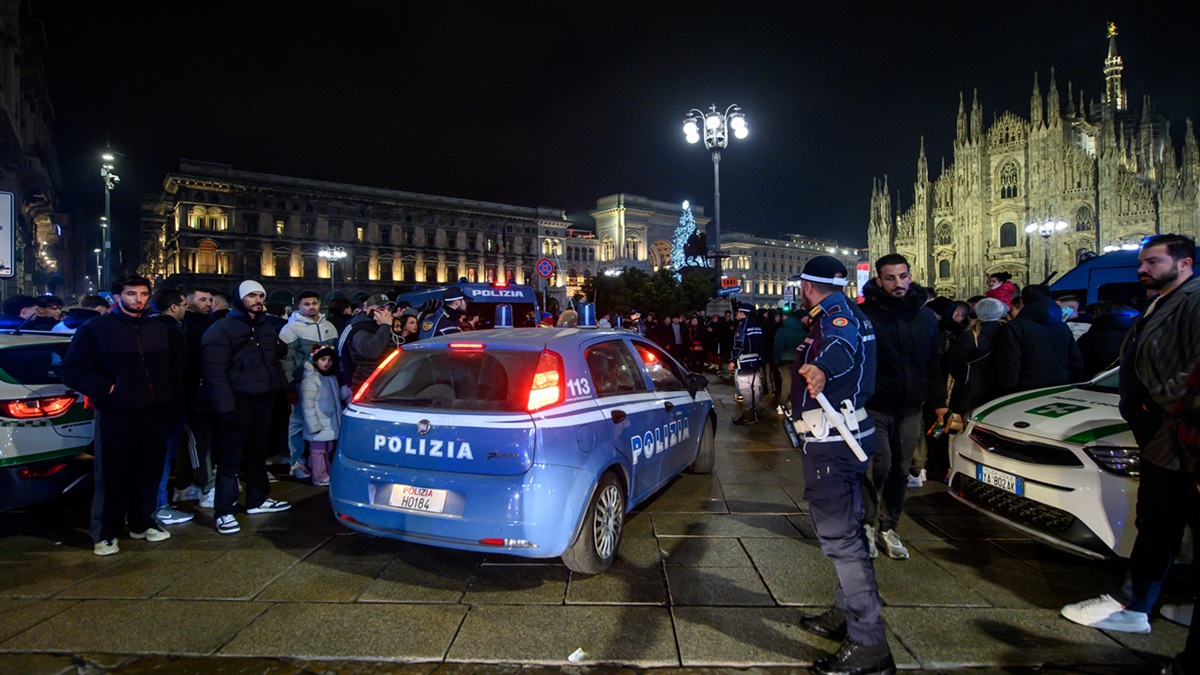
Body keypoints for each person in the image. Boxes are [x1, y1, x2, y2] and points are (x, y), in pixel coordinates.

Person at [1061, 234, 1200, 634]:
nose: (1142, 269)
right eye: (1142, 262)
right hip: (1168, 433)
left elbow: (1195, 371)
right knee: (1165, 521)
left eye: (1153, 262)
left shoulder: (1193, 302)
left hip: (1177, 435)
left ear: (1185, 263)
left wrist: (1155, 403)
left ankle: (1131, 605)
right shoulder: (1166, 299)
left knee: (1159, 520)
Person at [790, 256, 893, 675]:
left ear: (806, 286)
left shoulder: (836, 318)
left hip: (834, 442)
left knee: (841, 542)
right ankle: (845, 615)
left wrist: (820, 369)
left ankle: (870, 646)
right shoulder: (847, 311)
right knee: (849, 534)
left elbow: (840, 349)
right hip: (845, 438)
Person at [61, 275, 185, 555]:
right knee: (113, 474)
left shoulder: (159, 328)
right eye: (131, 293)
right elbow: (72, 371)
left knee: (149, 472)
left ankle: (143, 522)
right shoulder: (95, 329)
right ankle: (106, 532)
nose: (138, 299)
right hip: (117, 413)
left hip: (154, 412)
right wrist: (110, 388)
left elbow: (175, 369)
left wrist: (170, 401)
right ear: (118, 296)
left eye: (143, 294)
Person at [859, 253, 945, 561]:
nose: (898, 283)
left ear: (910, 276)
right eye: (891, 278)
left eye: (903, 276)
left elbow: (933, 363)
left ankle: (889, 526)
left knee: (900, 469)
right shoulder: (865, 315)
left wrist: (938, 404)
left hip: (910, 407)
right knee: (877, 466)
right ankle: (867, 526)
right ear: (879, 280)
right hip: (875, 406)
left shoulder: (924, 317)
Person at [202, 280, 291, 535]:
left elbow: (272, 360)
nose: (257, 299)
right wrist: (225, 408)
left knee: (257, 453)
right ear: (240, 298)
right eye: (251, 295)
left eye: (261, 295)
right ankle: (224, 510)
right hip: (236, 401)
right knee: (229, 459)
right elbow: (214, 373)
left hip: (262, 399)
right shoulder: (222, 329)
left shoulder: (265, 326)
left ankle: (258, 499)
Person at [278, 290, 338, 480]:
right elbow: (285, 360)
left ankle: (320, 461)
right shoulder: (291, 329)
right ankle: (297, 461)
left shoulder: (329, 326)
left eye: (314, 303)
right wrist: (289, 386)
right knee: (297, 422)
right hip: (301, 382)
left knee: (324, 419)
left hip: (326, 382)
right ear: (299, 306)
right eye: (307, 304)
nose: (311, 307)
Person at [148, 288, 195, 526]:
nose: (187, 309)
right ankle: (159, 506)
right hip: (169, 403)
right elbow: (179, 369)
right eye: (184, 305)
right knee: (164, 457)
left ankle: (150, 505)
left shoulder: (145, 327)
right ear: (174, 307)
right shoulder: (172, 330)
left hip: (150, 402)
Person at [994, 284, 1083, 395]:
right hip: (1059, 385)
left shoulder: (1015, 326)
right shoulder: (1061, 326)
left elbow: (1010, 361)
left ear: (1022, 301)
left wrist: (1010, 388)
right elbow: (1075, 359)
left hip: (1026, 389)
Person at [174, 287, 216, 507]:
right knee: (198, 441)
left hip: (208, 393)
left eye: (210, 299)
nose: (208, 303)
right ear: (188, 303)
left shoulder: (211, 325)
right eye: (203, 299)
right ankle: (205, 486)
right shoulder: (182, 327)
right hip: (190, 395)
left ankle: (188, 484)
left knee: (199, 441)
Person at [945, 297, 1007, 418]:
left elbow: (955, 363)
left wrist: (962, 377)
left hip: (972, 386)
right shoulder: (1008, 331)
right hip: (1001, 384)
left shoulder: (971, 335)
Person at [300, 345, 349, 487]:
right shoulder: (311, 380)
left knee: (326, 449)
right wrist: (313, 425)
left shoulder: (331, 378)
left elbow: (336, 399)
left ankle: (324, 472)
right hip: (319, 424)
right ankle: (319, 475)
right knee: (318, 451)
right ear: (315, 361)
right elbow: (307, 405)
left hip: (329, 423)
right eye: (323, 359)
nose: (326, 363)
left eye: (329, 359)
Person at [339, 293, 397, 390]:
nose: (387, 312)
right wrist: (385, 326)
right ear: (369, 311)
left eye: (389, 309)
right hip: (368, 383)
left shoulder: (385, 327)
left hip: (386, 380)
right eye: (381, 309)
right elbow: (372, 351)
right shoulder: (361, 328)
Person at [1076, 301, 1137, 379]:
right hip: (1127, 383)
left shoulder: (1087, 338)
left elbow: (1079, 366)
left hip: (1092, 383)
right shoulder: (1133, 337)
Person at [728, 302, 766, 425]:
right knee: (755, 388)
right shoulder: (758, 326)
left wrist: (733, 360)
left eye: (738, 312)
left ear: (743, 313)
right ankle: (756, 412)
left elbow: (738, 345)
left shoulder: (742, 327)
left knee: (746, 390)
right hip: (756, 362)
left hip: (745, 363)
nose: (737, 314)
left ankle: (748, 416)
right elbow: (763, 345)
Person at [773, 304, 808, 412]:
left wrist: (776, 360)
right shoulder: (803, 331)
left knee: (786, 383)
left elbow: (778, 346)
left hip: (784, 360)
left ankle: (782, 405)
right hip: (798, 360)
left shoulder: (782, 330)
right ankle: (791, 404)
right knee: (796, 383)